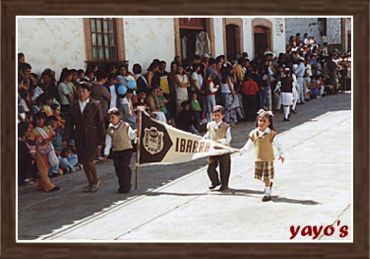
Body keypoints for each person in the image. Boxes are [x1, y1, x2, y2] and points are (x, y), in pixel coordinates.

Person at [63, 81, 105, 193]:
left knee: (89, 160)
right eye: (79, 91)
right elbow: (69, 124)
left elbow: (100, 123)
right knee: (83, 161)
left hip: (92, 136)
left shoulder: (95, 104)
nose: (81, 93)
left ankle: (95, 180)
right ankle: (90, 182)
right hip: (79, 136)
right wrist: (66, 139)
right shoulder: (73, 106)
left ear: (89, 92)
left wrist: (101, 139)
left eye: (83, 91)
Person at [240, 109, 285, 202]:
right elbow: (249, 144)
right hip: (258, 158)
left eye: (264, 121)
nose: (261, 123)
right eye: (260, 120)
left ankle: (267, 192)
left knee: (266, 177)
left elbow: (278, 145)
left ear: (269, 123)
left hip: (268, 158)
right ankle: (268, 185)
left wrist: (282, 154)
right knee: (262, 177)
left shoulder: (271, 134)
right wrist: (243, 150)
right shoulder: (254, 133)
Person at [104, 107, 137, 193]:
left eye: (113, 117)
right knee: (118, 169)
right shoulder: (109, 129)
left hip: (126, 149)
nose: (111, 120)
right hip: (116, 151)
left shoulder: (126, 126)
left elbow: (131, 136)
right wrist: (106, 153)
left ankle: (126, 185)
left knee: (124, 166)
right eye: (109, 118)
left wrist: (136, 132)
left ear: (119, 117)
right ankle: (122, 185)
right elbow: (108, 142)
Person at [28, 112, 60, 192]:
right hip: (40, 152)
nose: (39, 121)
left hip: (48, 150)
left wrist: (48, 139)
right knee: (43, 169)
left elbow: (53, 136)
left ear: (44, 119)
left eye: (40, 119)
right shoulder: (35, 131)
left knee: (46, 167)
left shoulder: (48, 128)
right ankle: (49, 186)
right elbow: (30, 141)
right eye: (37, 120)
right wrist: (38, 142)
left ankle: (41, 184)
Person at [203, 105, 232, 191]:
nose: (216, 117)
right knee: (210, 167)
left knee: (224, 168)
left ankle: (224, 184)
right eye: (214, 115)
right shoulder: (210, 125)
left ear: (222, 116)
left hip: (223, 150)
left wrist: (221, 141)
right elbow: (208, 134)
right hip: (213, 149)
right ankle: (215, 182)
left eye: (218, 115)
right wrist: (204, 139)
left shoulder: (226, 126)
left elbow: (228, 139)